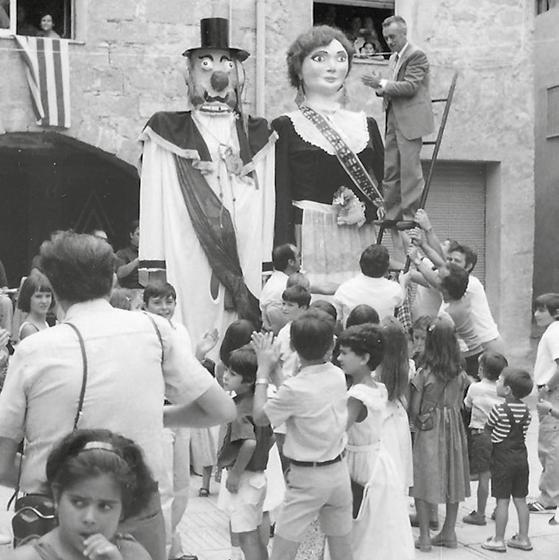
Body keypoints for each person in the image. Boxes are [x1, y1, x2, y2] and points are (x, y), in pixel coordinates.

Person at [0, 231, 236, 560]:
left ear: (53, 286)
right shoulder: (154, 330)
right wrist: (155, 417)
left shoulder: (33, 350)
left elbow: (2, 461)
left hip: (59, 516)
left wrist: (60, 480)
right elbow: (222, 409)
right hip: (136, 507)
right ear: (112, 279)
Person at [139, 18, 276, 344]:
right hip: (190, 247)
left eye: (226, 64)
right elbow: (152, 199)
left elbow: (267, 201)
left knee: (238, 331)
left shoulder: (256, 134)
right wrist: (153, 260)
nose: (218, 74)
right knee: (191, 316)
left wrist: (264, 262)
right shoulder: (167, 131)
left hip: (244, 251)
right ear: (189, 75)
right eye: (206, 64)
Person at [273, 25, 384, 287]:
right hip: (310, 237)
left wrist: (366, 212)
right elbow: (280, 195)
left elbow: (386, 185)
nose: (332, 66)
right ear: (298, 69)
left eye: (340, 58)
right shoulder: (287, 126)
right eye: (319, 58)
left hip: (359, 237)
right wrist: (283, 253)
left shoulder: (366, 125)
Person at [252, 311, 353, 560]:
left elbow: (260, 417)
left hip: (307, 478)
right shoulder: (337, 375)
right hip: (338, 472)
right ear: (330, 346)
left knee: (282, 554)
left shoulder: (294, 389)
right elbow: (298, 393)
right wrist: (276, 370)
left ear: (294, 347)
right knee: (342, 552)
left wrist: (263, 372)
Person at [7, 429, 155, 559]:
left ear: (123, 509)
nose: (89, 518)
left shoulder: (134, 554)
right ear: (57, 495)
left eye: (105, 506)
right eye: (78, 502)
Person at [143, 280, 210, 560]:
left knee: (182, 486)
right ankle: (165, 549)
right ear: (145, 306)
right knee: (163, 487)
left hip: (182, 412)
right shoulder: (142, 334)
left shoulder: (180, 330)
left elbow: (185, 371)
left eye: (169, 301)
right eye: (157, 302)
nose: (164, 307)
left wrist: (200, 354)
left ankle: (172, 542)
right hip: (157, 415)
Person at [338, 323, 414, 559]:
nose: (339, 358)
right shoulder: (378, 387)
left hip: (361, 464)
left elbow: (338, 429)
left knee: (362, 530)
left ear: (364, 358)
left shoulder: (357, 396)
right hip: (379, 461)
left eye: (344, 353)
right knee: (380, 528)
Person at [361, 15, 434, 226]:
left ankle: (410, 216)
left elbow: (410, 86)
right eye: (386, 37)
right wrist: (378, 87)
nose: (389, 41)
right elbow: (391, 87)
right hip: (393, 117)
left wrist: (382, 83)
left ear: (404, 33)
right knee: (391, 168)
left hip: (410, 120)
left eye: (392, 37)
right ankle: (392, 214)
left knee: (409, 170)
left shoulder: (417, 55)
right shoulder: (394, 58)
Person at [409, 317, 470, 552]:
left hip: (429, 429)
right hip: (454, 429)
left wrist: (418, 419)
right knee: (453, 477)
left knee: (423, 479)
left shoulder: (424, 373)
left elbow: (415, 408)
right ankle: (448, 532)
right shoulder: (460, 373)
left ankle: (425, 537)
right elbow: (460, 401)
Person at [218, 346, 274, 560]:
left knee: (246, 536)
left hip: (245, 478)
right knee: (254, 533)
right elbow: (270, 437)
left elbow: (249, 443)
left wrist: (236, 473)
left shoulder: (240, 407)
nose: (225, 376)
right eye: (227, 370)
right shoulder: (259, 404)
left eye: (232, 374)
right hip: (258, 477)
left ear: (249, 380)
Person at [482, 367, 533, 552]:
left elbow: (488, 430)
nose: (497, 382)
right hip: (521, 458)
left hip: (502, 460)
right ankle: (524, 538)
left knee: (502, 501)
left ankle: (498, 539)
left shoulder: (499, 409)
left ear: (508, 389)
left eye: (500, 380)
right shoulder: (526, 411)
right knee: (520, 500)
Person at [462, 351, 508, 526]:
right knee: (499, 474)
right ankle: (498, 509)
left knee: (483, 475)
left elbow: (467, 406)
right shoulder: (503, 390)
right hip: (501, 435)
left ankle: (480, 513)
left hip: (481, 436)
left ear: (481, 369)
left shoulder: (475, 388)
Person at [529, 292, 559, 514]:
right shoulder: (552, 331)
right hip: (550, 391)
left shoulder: (554, 333)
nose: (537, 314)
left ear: (555, 313)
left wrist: (547, 387)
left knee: (550, 446)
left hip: (552, 393)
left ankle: (549, 498)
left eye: (542, 310)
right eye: (536, 309)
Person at [376, 316, 413, 492]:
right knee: (398, 464)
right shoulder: (408, 366)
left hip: (381, 417)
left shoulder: (376, 368)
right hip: (398, 415)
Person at [334, 244, 404, 326]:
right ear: (387, 267)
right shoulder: (395, 289)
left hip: (351, 333)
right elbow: (401, 300)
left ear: (360, 264)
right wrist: (403, 282)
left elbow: (337, 320)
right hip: (382, 333)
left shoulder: (344, 289)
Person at [260, 244, 301, 334]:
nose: (300, 259)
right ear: (291, 262)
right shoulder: (283, 286)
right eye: (298, 256)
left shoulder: (277, 280)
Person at [275, 285, 311, 379]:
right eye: (283, 304)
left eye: (290, 305)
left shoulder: (312, 328)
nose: (284, 308)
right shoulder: (284, 331)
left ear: (303, 308)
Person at [16, 270, 53, 341]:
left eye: (48, 296)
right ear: (28, 298)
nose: (44, 301)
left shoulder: (45, 324)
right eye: (38, 296)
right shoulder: (29, 329)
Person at [115, 220, 141, 290]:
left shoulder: (151, 254)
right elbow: (119, 273)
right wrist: (136, 262)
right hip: (129, 291)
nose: (142, 237)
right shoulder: (122, 253)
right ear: (131, 235)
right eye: (138, 234)